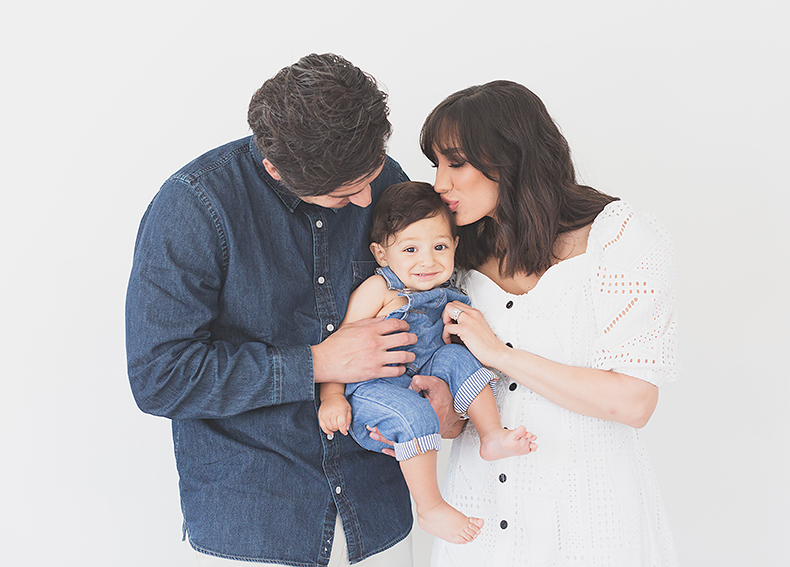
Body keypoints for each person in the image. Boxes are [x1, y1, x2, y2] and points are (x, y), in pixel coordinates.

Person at [126, 53, 428, 566]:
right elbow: (160, 377)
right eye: (343, 193)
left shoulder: (384, 180)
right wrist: (318, 363)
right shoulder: (194, 206)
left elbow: (427, 294)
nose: (365, 203)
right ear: (275, 169)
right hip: (254, 527)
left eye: (370, 177)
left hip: (379, 517)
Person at [419, 81, 680, 566]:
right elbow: (460, 414)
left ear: (510, 156)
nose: (439, 183)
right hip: (476, 520)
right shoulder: (451, 257)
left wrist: (501, 355)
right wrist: (442, 413)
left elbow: (634, 401)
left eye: (455, 163)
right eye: (436, 164)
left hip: (591, 517)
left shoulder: (618, 237)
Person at [317, 181, 537, 545]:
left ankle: (491, 434)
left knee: (457, 357)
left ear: (455, 246)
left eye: (439, 247)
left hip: (422, 380)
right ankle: (430, 507)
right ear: (381, 254)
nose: (428, 261)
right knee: (413, 413)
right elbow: (340, 347)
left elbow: (451, 351)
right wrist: (332, 397)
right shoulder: (379, 289)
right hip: (374, 392)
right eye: (410, 249)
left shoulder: (449, 290)